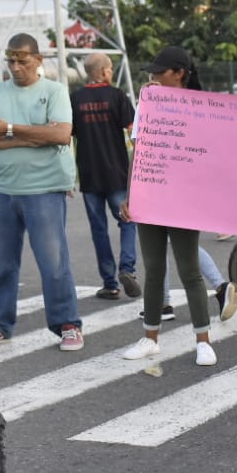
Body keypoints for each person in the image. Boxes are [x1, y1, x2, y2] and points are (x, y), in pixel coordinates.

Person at [0, 34, 84, 351]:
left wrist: (8, 130)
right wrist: (32, 138)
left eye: (23, 60)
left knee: (53, 261)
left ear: (39, 59)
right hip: (2, 188)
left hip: (43, 188)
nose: (16, 67)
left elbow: (60, 134)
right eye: (11, 60)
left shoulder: (54, 91)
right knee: (2, 262)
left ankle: (68, 324)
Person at [118, 46, 227, 366]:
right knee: (154, 270)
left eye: (159, 72)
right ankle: (150, 337)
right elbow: (138, 153)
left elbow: (211, 154)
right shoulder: (147, 105)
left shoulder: (203, 107)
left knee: (189, 270)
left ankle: (203, 340)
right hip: (151, 194)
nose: (153, 77)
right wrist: (131, 196)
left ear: (179, 73)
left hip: (184, 199)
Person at [72, 52, 139, 301]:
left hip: (89, 175)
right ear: (103, 71)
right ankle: (127, 268)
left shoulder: (76, 99)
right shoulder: (117, 96)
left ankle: (110, 284)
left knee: (98, 230)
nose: (111, 72)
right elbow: (133, 132)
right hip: (116, 173)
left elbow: (69, 135)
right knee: (128, 221)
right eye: (110, 69)